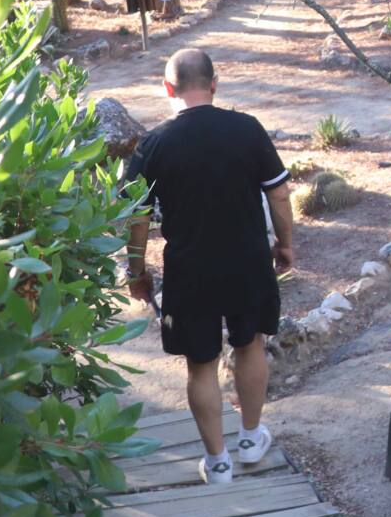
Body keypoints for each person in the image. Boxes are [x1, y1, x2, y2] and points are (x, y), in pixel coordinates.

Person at [123, 48, 295, 484]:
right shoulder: (247, 129)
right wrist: (285, 245)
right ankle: (252, 439)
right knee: (249, 344)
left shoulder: (153, 145)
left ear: (168, 89)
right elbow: (278, 194)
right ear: (215, 84)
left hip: (189, 270)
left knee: (201, 365)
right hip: (249, 262)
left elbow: (137, 218)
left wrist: (136, 272)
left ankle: (218, 463)